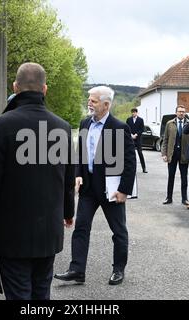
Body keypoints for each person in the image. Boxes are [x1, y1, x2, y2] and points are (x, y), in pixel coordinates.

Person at [0, 62, 75, 300]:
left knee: (19, 295)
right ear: (45, 89)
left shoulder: (1, 125)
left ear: (15, 87)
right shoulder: (62, 128)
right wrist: (68, 212)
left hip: (12, 235)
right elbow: (68, 179)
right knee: (42, 293)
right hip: (48, 233)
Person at [54, 86, 136, 286]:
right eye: (89, 100)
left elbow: (130, 161)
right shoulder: (85, 124)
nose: (89, 103)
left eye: (94, 101)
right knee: (81, 228)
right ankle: (77, 270)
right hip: (88, 188)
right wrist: (78, 175)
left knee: (118, 231)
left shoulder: (119, 127)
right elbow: (80, 154)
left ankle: (118, 270)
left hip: (111, 190)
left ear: (106, 105)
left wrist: (124, 190)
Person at [161, 105, 189, 205]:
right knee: (171, 177)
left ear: (185, 113)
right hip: (172, 154)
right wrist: (164, 154)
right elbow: (165, 140)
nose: (181, 113)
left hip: (184, 155)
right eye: (179, 111)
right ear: (176, 113)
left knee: (184, 177)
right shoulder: (170, 123)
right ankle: (169, 198)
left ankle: (184, 199)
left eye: (183, 111)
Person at [126, 108, 147, 173]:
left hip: (138, 139)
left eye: (134, 112)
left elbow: (142, 129)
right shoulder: (128, 120)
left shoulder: (140, 120)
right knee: (130, 154)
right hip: (130, 139)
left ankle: (144, 168)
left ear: (136, 113)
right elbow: (126, 128)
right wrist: (131, 134)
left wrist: (136, 134)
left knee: (140, 153)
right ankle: (130, 168)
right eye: (132, 112)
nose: (133, 113)